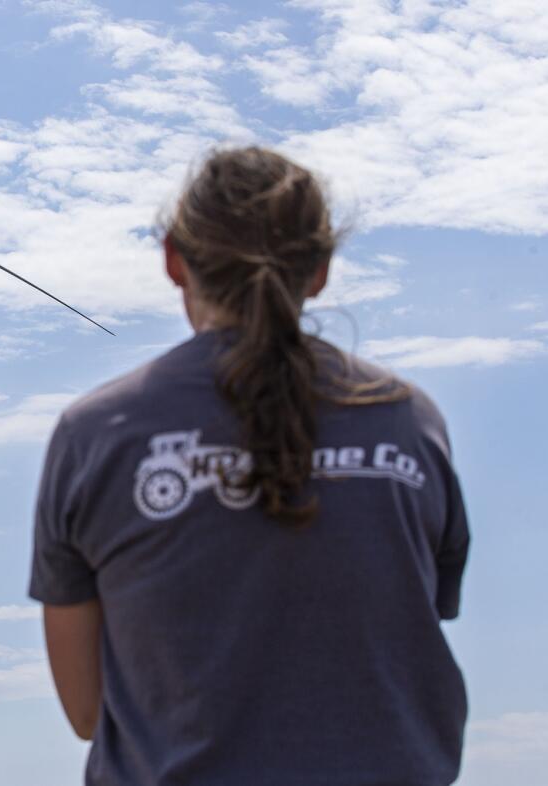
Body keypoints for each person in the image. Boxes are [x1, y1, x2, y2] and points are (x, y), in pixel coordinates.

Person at [30, 148, 469, 785]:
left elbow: (87, 711)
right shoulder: (409, 422)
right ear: (319, 270)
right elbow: (405, 627)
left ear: (174, 259)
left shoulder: (96, 435)